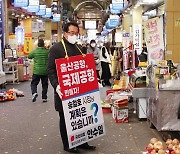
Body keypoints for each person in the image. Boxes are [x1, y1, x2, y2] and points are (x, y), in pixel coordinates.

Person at [47, 22, 96, 153]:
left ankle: (83, 141)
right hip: (64, 91)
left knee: (81, 115)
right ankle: (67, 144)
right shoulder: (56, 49)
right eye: (71, 33)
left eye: (76, 33)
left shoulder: (79, 48)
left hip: (80, 92)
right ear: (64, 33)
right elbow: (50, 70)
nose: (74, 35)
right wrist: (56, 85)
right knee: (65, 118)